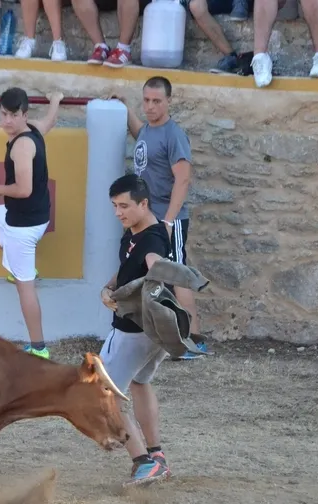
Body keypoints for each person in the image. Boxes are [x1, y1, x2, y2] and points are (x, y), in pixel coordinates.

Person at [111, 76, 207, 360]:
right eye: (146, 100)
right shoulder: (147, 130)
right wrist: (126, 107)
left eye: (157, 101)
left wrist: (168, 221)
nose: (150, 106)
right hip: (147, 219)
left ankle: (194, 341)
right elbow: (140, 134)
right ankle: (164, 338)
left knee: (176, 275)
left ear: (169, 101)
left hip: (167, 219)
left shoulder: (173, 135)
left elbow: (183, 179)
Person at [0, 88, 62, 359]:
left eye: (13, 115)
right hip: (32, 216)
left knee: (25, 289)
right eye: (3, 114)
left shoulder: (22, 146)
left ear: (24, 114)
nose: (7, 121)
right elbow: (50, 121)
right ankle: (16, 264)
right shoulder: (33, 129)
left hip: (23, 225)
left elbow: (23, 189)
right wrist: (55, 100)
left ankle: (39, 347)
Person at [99, 174, 173, 487]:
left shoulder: (152, 240)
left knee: (104, 397)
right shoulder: (134, 231)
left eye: (125, 206)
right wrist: (109, 287)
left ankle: (143, 462)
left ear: (144, 204)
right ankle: (157, 456)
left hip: (134, 331)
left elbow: (156, 266)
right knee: (140, 383)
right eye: (115, 206)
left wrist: (158, 280)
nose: (119, 212)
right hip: (151, 333)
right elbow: (128, 266)